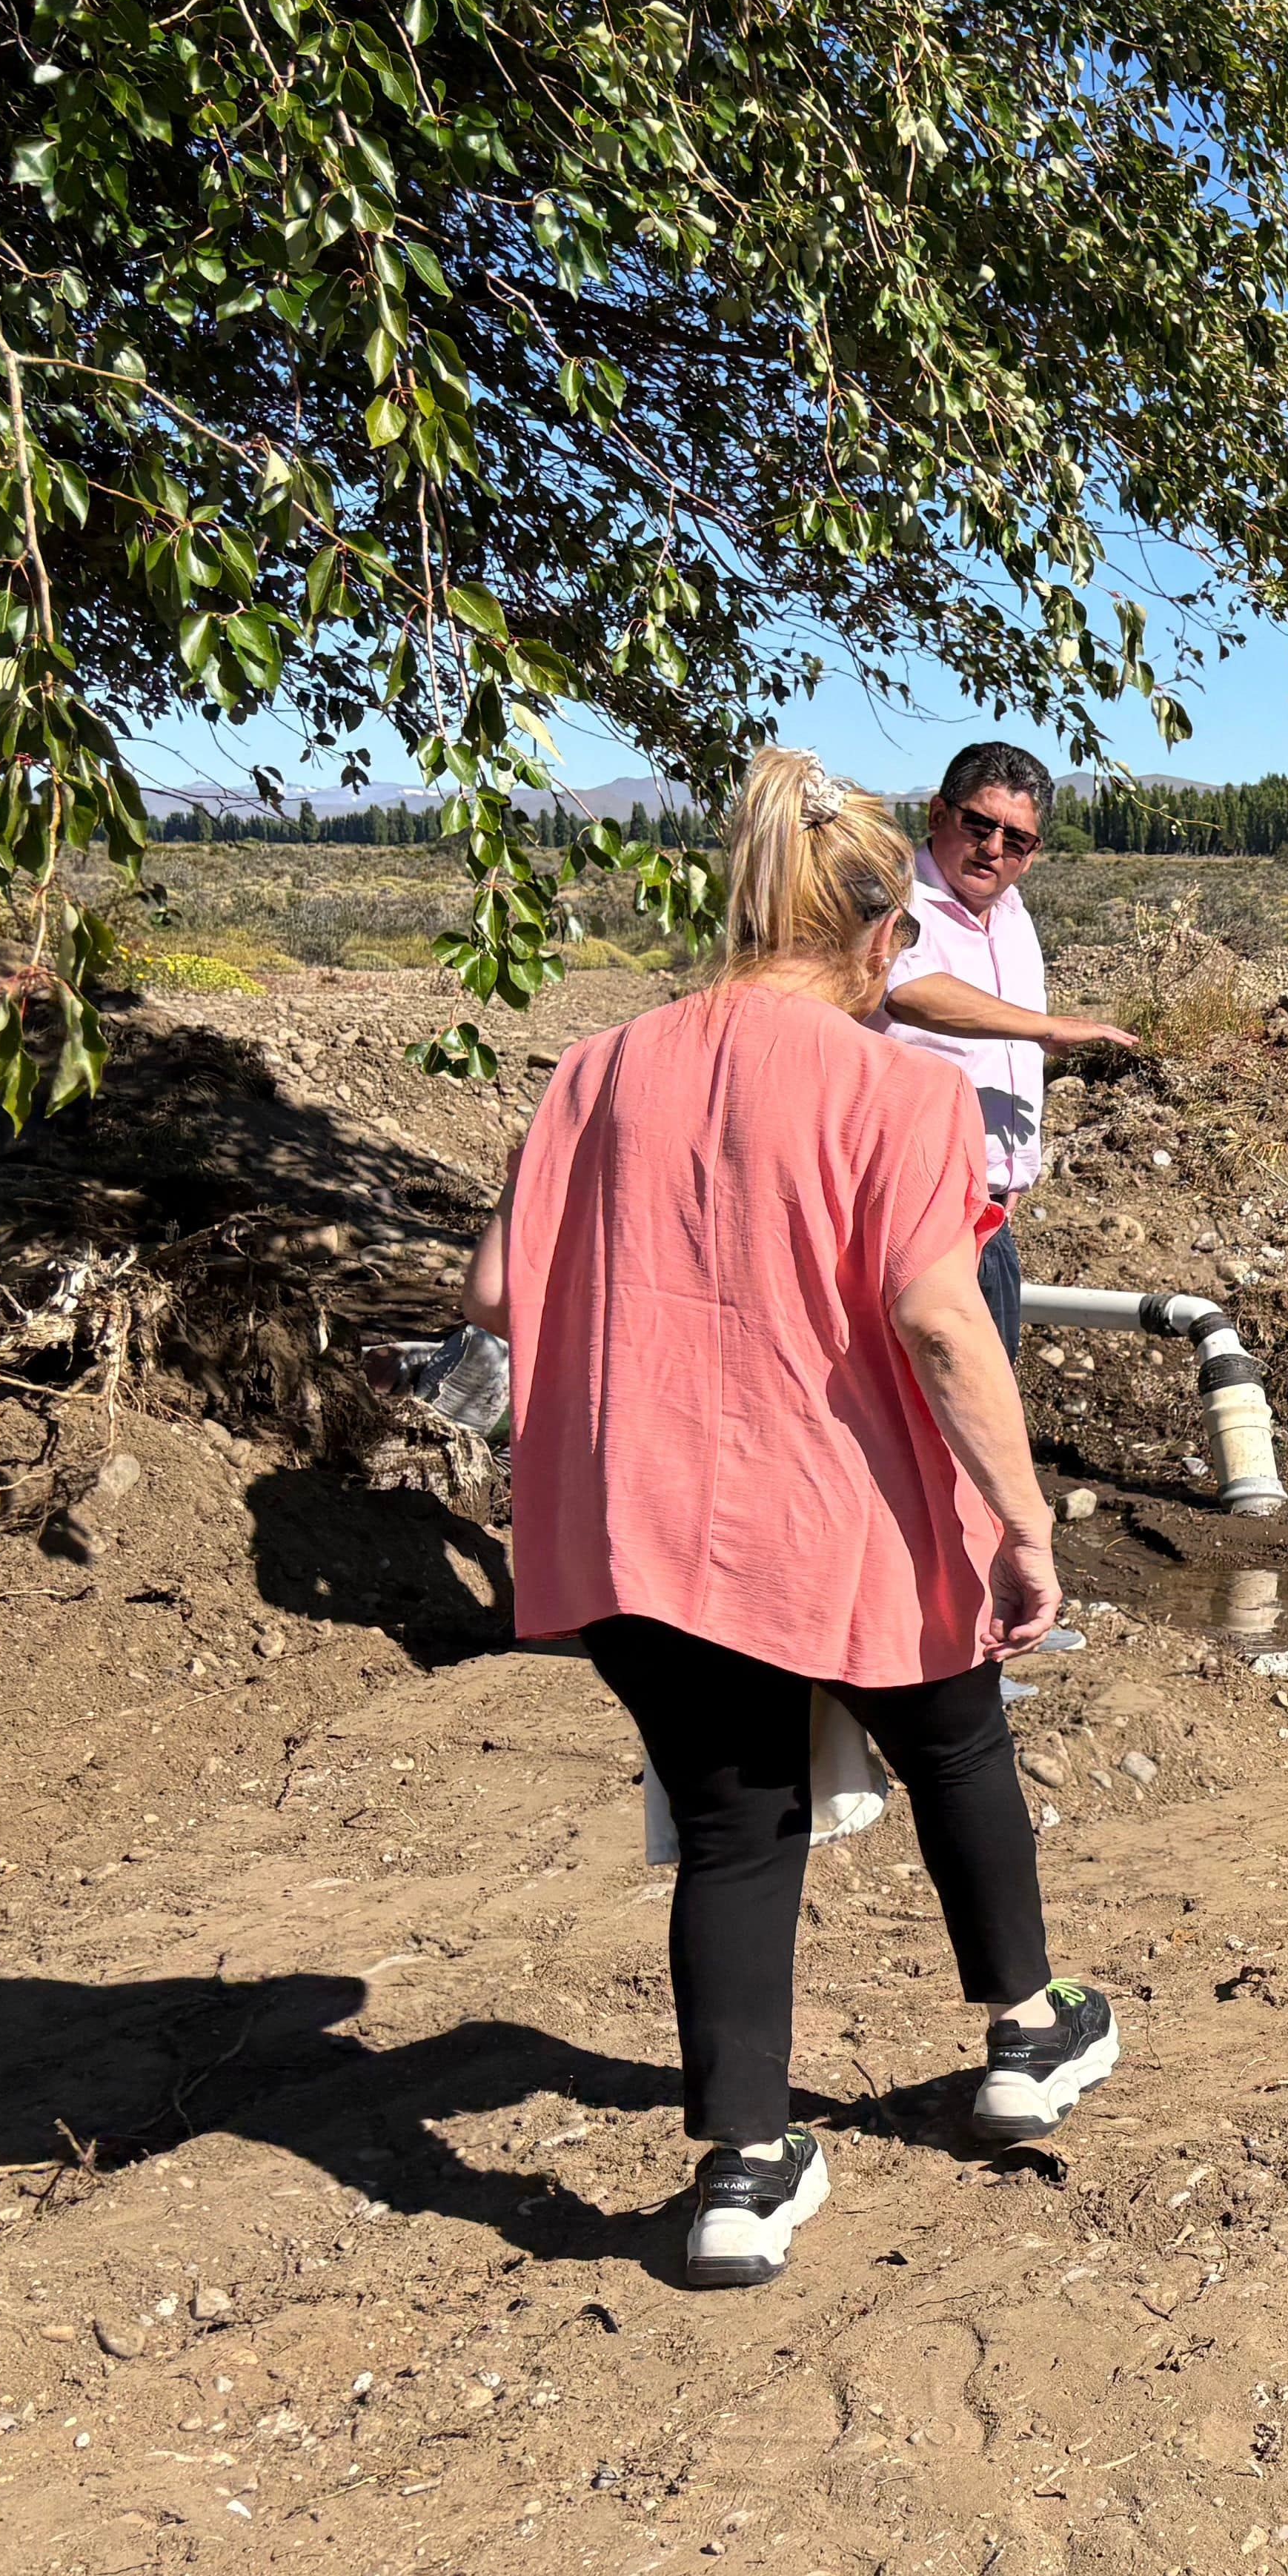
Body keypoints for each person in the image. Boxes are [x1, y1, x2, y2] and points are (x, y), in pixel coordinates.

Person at [464, 748, 1123, 2290]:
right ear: (885, 940)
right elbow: (942, 1324)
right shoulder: (899, 1087)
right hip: (836, 1514)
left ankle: (742, 2179)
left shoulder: (592, 1068)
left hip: (630, 1526)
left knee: (733, 1826)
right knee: (956, 1738)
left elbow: (494, 1293)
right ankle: (1027, 2039)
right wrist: (1023, 1524)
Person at [879, 740, 1141, 1358]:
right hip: (915, 1203)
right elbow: (908, 993)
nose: (993, 849)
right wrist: (1044, 1028)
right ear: (939, 815)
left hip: (987, 1207)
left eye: (1016, 839)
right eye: (979, 825)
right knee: (954, 1405)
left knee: (975, 1397)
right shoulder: (894, 900)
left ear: (1034, 853)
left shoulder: (1013, 912)